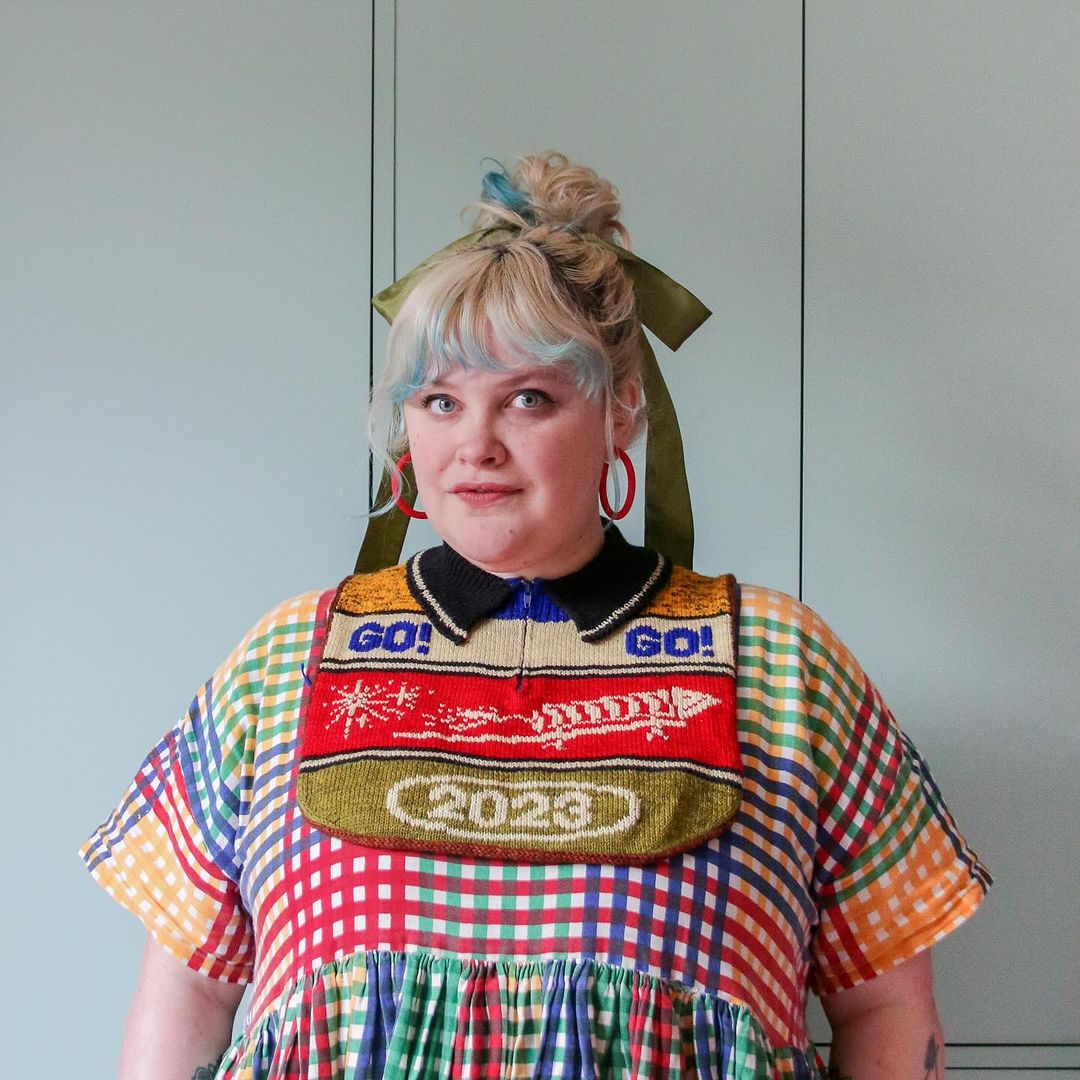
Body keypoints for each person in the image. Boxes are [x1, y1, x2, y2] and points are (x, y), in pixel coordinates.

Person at [83, 152, 990, 1080]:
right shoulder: (286, 660)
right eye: (438, 401)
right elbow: (187, 995)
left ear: (618, 415)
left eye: (528, 398)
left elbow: (885, 1007)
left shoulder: (779, 663)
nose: (475, 444)